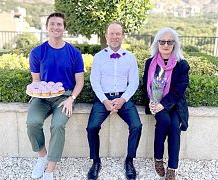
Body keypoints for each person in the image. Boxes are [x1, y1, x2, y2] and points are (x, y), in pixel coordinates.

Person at [26, 12, 84, 180]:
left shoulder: (74, 53)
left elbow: (79, 82)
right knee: (32, 122)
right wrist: (36, 92)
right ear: (47, 27)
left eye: (59, 24)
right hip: (42, 96)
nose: (55, 27)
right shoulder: (37, 52)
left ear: (64, 28)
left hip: (65, 97)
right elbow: (36, 81)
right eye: (52, 24)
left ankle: (50, 169)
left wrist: (71, 99)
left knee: (57, 126)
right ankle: (42, 156)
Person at [86, 22, 142, 180]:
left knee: (137, 125)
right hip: (103, 98)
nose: (115, 37)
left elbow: (134, 82)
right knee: (92, 127)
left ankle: (129, 161)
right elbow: (94, 81)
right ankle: (96, 162)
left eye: (118, 34)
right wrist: (104, 101)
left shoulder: (130, 58)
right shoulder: (98, 57)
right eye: (112, 33)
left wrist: (123, 99)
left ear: (123, 36)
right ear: (106, 35)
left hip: (124, 98)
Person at [142, 27, 190, 180]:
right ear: (157, 43)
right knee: (164, 120)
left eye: (170, 42)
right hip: (156, 103)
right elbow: (146, 85)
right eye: (162, 41)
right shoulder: (150, 63)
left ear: (175, 44)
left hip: (174, 104)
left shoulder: (182, 64)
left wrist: (164, 104)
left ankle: (172, 167)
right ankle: (157, 159)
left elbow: (180, 88)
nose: (166, 45)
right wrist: (151, 101)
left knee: (174, 126)